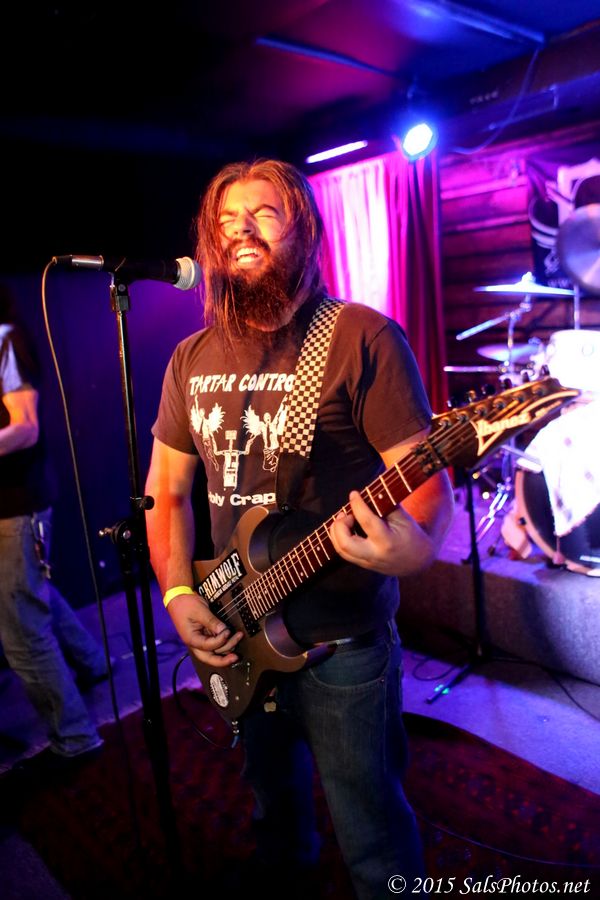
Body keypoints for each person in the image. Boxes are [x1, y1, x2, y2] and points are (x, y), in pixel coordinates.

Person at [145, 159, 454, 898]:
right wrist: (179, 593)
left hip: (342, 643)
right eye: (227, 220)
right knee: (273, 815)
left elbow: (425, 486)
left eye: (264, 214)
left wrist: (412, 550)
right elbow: (166, 493)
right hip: (236, 620)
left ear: (305, 230)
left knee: (373, 834)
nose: (242, 231)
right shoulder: (190, 358)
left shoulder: (359, 337)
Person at [0, 284, 107, 767]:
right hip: (12, 504)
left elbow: (26, 427)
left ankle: (75, 739)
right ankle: (92, 664)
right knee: (30, 593)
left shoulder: (4, 340)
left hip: (16, 504)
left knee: (22, 629)